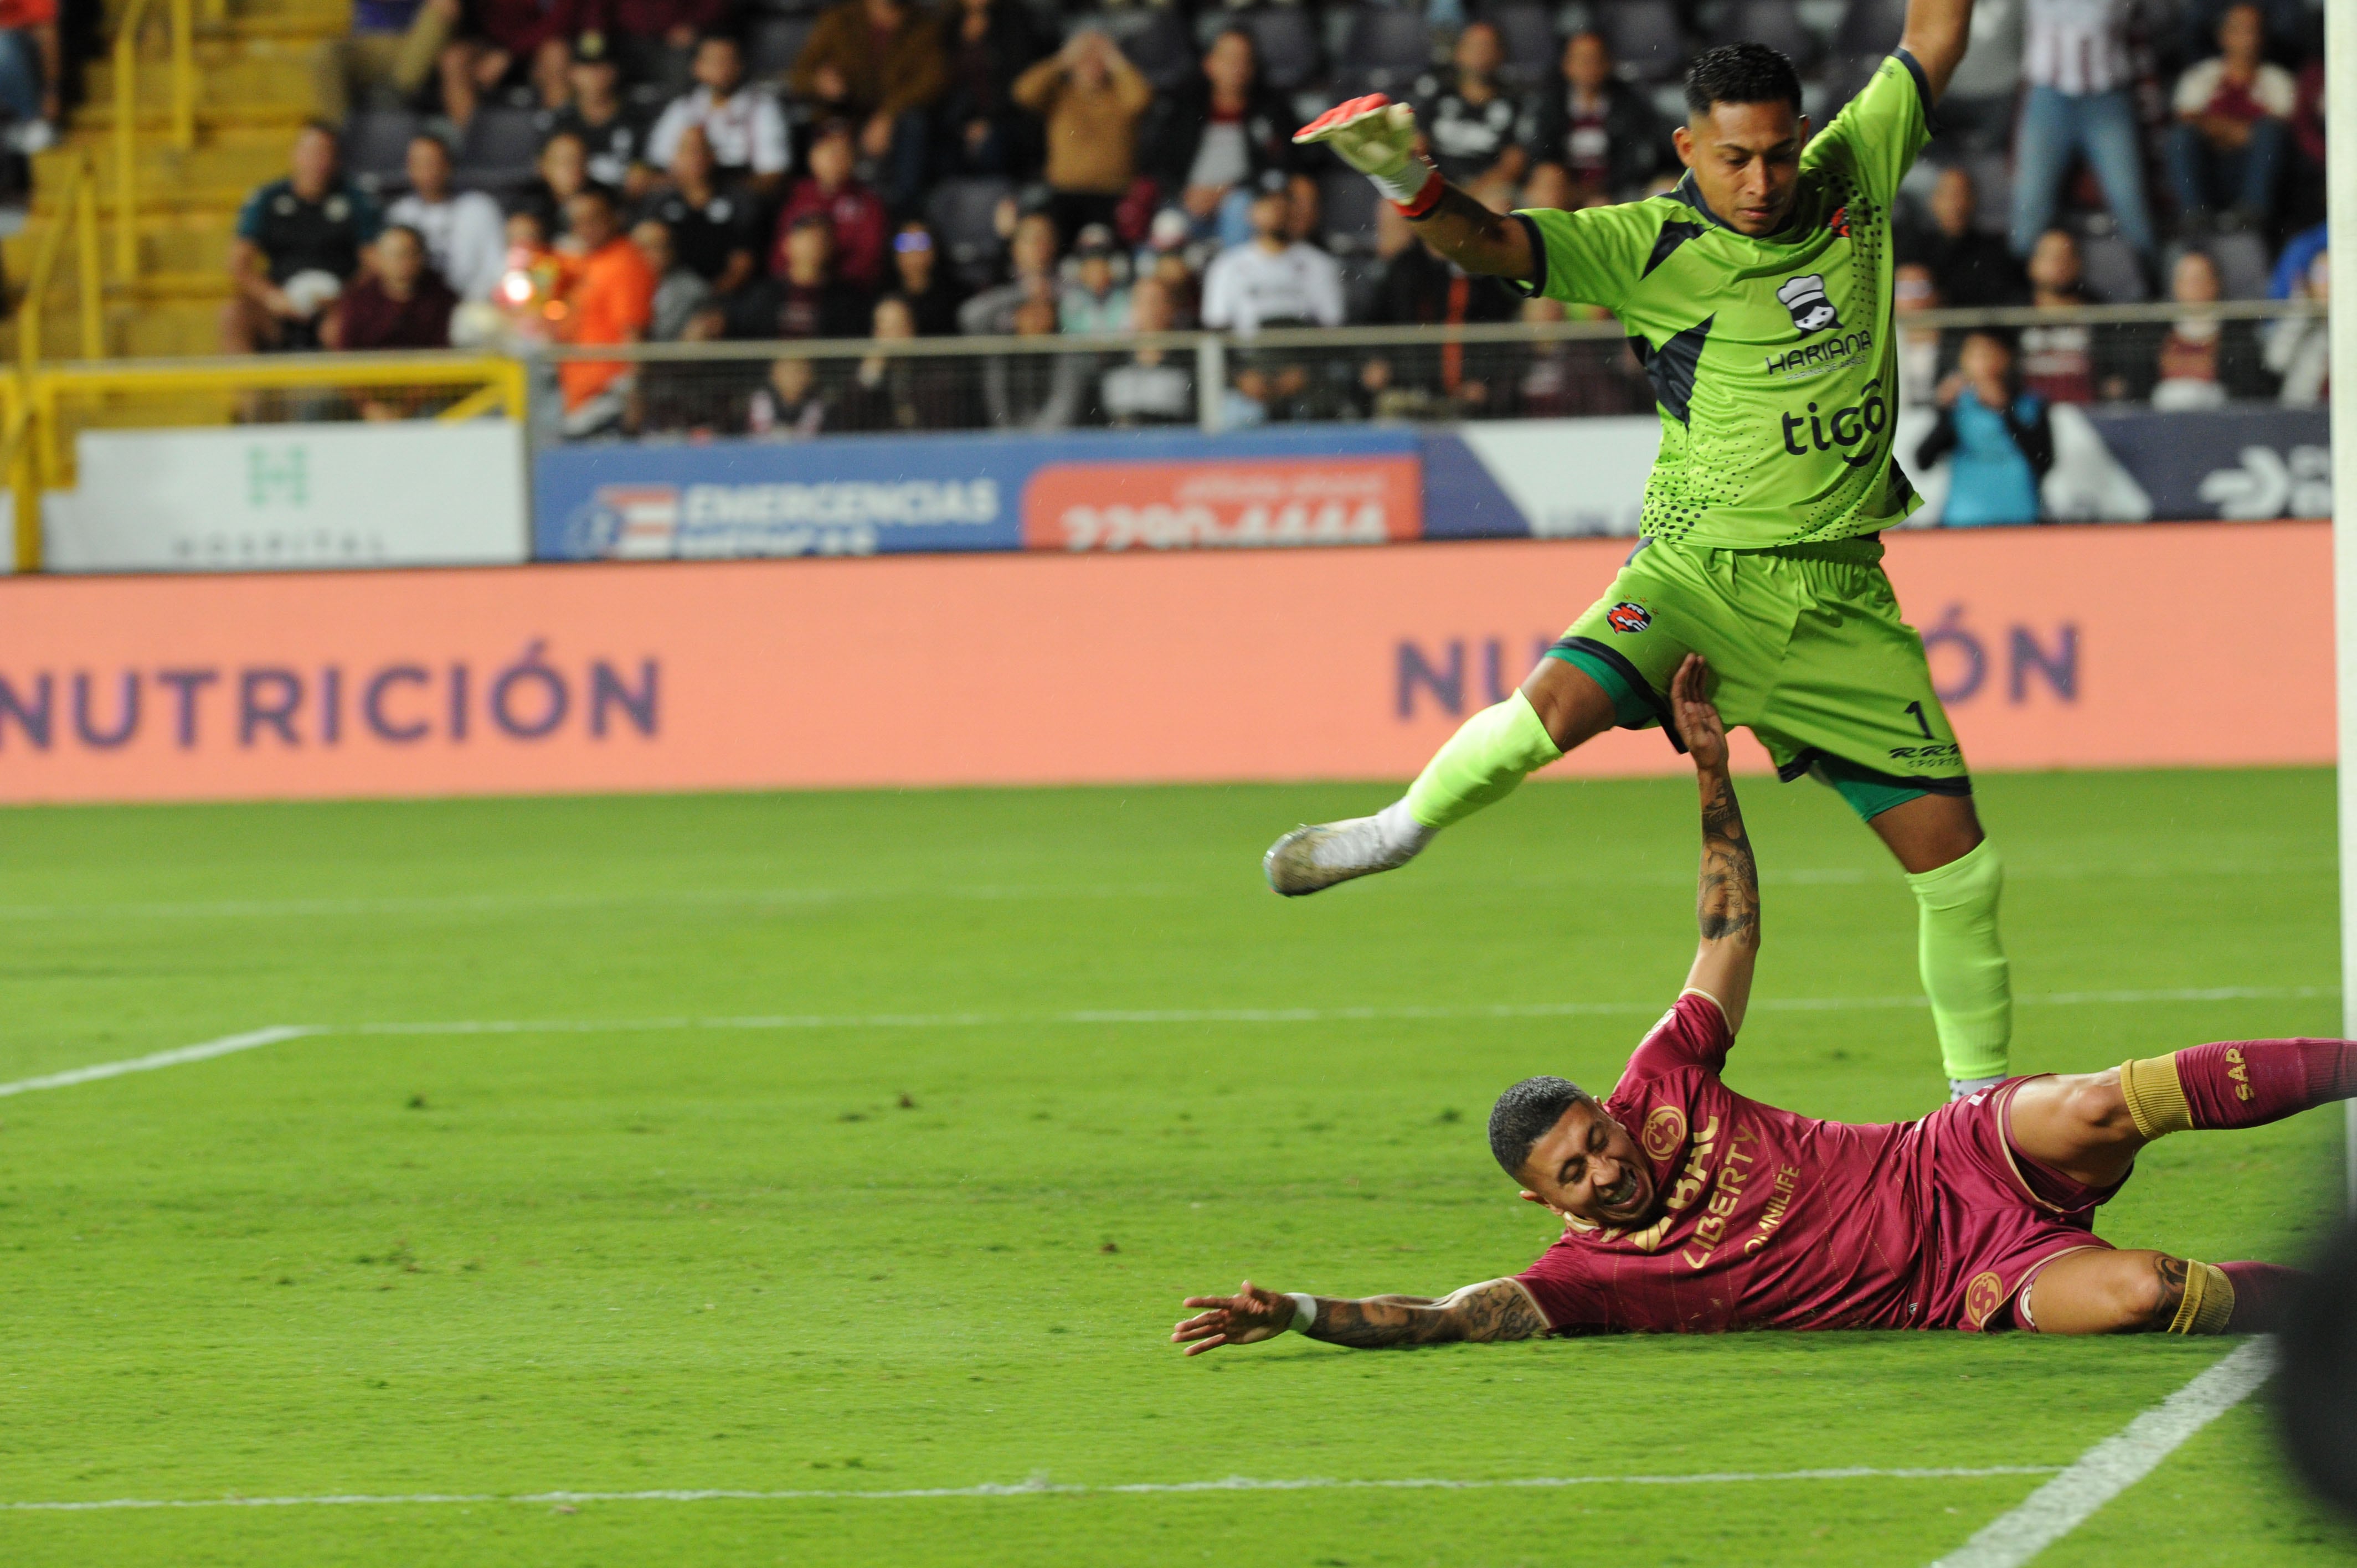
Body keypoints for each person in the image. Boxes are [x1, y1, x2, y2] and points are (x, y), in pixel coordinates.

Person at [1172, 658, 2334, 1353]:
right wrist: (1303, 1312)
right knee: (2143, 1292)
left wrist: (1711, 773)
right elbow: (1441, 1317)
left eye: (1595, 1139)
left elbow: (1726, 931)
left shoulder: (1663, 1079)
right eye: (1573, 1174)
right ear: (1541, 1202)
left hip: (1948, 1159)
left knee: (2096, 1106)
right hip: (1959, 1286)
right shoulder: (1583, 1283)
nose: (1605, 1168)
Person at [1289, 11, 2022, 1100]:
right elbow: (1491, 244)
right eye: (1733, 159)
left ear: (1803, 136)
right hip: (1695, 578)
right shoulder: (1651, 246)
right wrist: (1407, 179)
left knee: (1961, 871)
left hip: (1839, 599)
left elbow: (1938, 31)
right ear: (1688, 148)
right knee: (1545, 714)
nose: (1760, 182)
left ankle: (1980, 1116)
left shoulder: (1855, 165)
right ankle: (1396, 830)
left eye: (1777, 154)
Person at [2009, 0, 2155, 266]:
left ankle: (2150, 280)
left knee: (2129, 202)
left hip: (2106, 97)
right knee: (2030, 204)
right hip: (2049, 95)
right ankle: (2018, 284)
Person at [222, 121, 384, 353]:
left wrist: (345, 300)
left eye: (324, 153)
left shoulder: (357, 200)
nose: (316, 161)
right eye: (310, 152)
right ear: (295, 155)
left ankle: (345, 376)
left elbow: (375, 266)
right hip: (280, 304)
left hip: (338, 304)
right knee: (233, 314)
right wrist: (272, 297)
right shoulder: (268, 199)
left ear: (337, 160)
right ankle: (245, 379)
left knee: (345, 327)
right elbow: (239, 265)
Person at [1147, 29, 1309, 249]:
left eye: (1245, 59)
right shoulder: (1184, 109)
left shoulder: (1271, 111)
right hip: (1187, 203)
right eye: (1229, 58)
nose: (1237, 66)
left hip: (1244, 205)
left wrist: (1225, 192)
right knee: (1167, 225)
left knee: (1240, 206)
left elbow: (1283, 166)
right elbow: (1160, 165)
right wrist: (1185, 193)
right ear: (1209, 64)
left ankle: (1235, 269)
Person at [786, 0, 944, 212]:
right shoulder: (839, 20)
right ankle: (816, 212)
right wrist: (819, 81)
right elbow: (800, 74)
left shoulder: (923, 25)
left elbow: (933, 80)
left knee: (915, 124)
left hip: (898, 118)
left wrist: (889, 115)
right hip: (844, 115)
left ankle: (906, 212)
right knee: (822, 131)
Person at [1011, 27, 1152, 247]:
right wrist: (1062, 60)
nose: (1091, 63)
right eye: (1085, 57)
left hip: (1114, 191)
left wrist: (1115, 59)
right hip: (1065, 191)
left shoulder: (1120, 95)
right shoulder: (1060, 94)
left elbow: (1142, 98)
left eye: (1098, 58)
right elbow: (1023, 92)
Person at [2166, 2, 2293, 234]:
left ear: (2263, 37)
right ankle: (2195, 215)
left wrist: (2213, 127)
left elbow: (2275, 133)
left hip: (2253, 174)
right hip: (2210, 171)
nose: (2246, 37)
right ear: (2223, 35)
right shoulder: (2200, 76)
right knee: (2181, 137)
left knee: (2270, 134)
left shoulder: (2278, 80)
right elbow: (2185, 122)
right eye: (2238, 29)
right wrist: (2244, 131)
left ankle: (2253, 216)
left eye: (2252, 30)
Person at [1916, 330, 2050, 525]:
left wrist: (2005, 410)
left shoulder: (2030, 404)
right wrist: (1945, 412)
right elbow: (1923, 461)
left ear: (2005, 358)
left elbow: (2044, 462)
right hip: (1964, 519)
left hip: (2020, 517)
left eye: (1985, 354)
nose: (1977, 363)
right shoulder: (1959, 405)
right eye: (1971, 354)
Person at [554, 185, 655, 435]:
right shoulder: (582, 262)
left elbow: (634, 335)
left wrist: (634, 396)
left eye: (594, 219)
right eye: (577, 222)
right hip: (578, 398)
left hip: (609, 400)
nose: (585, 228)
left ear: (613, 217)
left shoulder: (624, 263)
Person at [1522, 32, 1665, 208]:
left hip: (1613, 190)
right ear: (1566, 65)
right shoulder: (1550, 102)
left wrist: (1602, 188)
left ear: (1608, 63)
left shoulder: (1630, 103)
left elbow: (1636, 159)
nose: (1588, 66)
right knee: (1547, 179)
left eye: (1595, 59)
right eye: (1581, 59)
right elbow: (1540, 152)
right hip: (1565, 188)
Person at [647, 33, 790, 193]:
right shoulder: (681, 108)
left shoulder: (763, 107)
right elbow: (658, 164)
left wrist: (720, 194)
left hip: (740, 191)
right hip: (685, 192)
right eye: (713, 61)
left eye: (727, 60)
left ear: (741, 66)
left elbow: (773, 175)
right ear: (697, 67)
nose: (721, 68)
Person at [1198, 185, 1345, 336]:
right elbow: (1216, 324)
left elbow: (1332, 324)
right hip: (1247, 348)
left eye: (1282, 205)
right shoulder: (1227, 265)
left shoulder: (1319, 263)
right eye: (1269, 205)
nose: (1277, 212)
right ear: (1252, 212)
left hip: (1302, 348)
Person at [930, 0, 1048, 182]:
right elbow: (943, 85)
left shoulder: (1014, 21)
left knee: (994, 148)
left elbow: (1019, 84)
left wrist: (989, 121)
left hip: (1007, 118)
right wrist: (964, 124)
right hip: (958, 121)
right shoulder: (948, 25)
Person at [633, 123, 756, 296]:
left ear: (712, 155)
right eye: (687, 151)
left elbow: (743, 263)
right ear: (675, 158)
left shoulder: (739, 200)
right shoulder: (659, 200)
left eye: (700, 150)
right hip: (666, 292)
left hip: (723, 295)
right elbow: (642, 250)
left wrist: (709, 297)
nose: (695, 158)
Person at [1412, 20, 1525, 207]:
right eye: (1474, 46)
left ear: (1501, 54)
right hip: (1435, 185)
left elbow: (1511, 165)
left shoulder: (1514, 102)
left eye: (1487, 46)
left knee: (1500, 204)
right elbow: (1418, 148)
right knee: (1393, 207)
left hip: (1486, 190)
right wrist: (1432, 187)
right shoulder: (1436, 94)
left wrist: (1468, 194)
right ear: (1458, 52)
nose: (1480, 52)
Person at [386, 132, 506, 302]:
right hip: (418, 306)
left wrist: (470, 302)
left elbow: (496, 266)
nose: (426, 171)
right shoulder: (400, 214)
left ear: (448, 165)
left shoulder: (480, 208)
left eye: (432, 163)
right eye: (418, 163)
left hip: (472, 303)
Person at [776, 120, 888, 293]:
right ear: (813, 156)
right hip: (792, 289)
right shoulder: (794, 195)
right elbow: (778, 255)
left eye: (843, 151)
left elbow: (869, 259)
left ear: (854, 158)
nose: (835, 159)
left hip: (848, 293)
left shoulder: (868, 203)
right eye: (828, 150)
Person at [2147, 249, 2266, 408]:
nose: (2193, 287)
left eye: (2198, 279)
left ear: (2215, 283)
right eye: (2185, 279)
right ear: (2175, 285)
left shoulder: (2236, 334)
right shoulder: (2156, 332)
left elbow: (2248, 388)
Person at [435, 0, 580, 131]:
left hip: (538, 46)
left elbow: (560, 23)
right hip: (491, 45)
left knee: (557, 54)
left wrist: (510, 54)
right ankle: (473, 138)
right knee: (454, 59)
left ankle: (559, 137)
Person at [836, 293, 973, 430]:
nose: (893, 338)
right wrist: (869, 376)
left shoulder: (936, 375)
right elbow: (849, 423)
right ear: (876, 333)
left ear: (911, 328)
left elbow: (943, 425)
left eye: (898, 328)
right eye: (886, 330)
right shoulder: (865, 377)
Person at [542, 35, 655, 200]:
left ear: (615, 71)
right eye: (587, 68)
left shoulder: (639, 118)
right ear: (572, 73)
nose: (594, 76)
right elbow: (544, 172)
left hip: (629, 203)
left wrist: (648, 175)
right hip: (572, 203)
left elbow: (663, 168)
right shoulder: (559, 122)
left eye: (601, 68)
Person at [726, 212, 871, 339]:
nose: (814, 245)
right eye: (807, 237)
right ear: (787, 244)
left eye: (822, 239)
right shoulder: (762, 297)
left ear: (832, 246)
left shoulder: (849, 302)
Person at [1900, 163, 2021, 307]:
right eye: (1948, 195)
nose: (1956, 204)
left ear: (1974, 200)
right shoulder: (1911, 248)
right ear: (1933, 201)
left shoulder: (1994, 251)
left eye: (1962, 195)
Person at [323, 223, 457, 352]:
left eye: (411, 253)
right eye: (396, 255)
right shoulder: (358, 300)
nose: (404, 262)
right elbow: (348, 352)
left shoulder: (442, 298)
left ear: (422, 257)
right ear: (378, 257)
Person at [320, 0, 449, 122]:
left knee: (444, 5)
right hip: (373, 39)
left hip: (425, 38)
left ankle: (396, 93)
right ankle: (332, 131)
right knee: (324, 56)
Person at [1098, 274, 1193, 426]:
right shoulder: (1113, 361)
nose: (1150, 310)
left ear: (1171, 308)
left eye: (1156, 301)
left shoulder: (1188, 361)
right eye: (1141, 301)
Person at [958, 208, 1058, 335]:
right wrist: (1023, 292)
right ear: (1014, 246)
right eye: (1031, 239)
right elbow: (969, 317)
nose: (1039, 245)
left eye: (1046, 238)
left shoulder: (1066, 278)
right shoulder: (997, 276)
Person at [2262, 246, 2328, 408]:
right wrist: (2300, 307)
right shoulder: (2303, 325)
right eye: (2322, 275)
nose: (2329, 284)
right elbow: (2276, 361)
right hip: (2302, 412)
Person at [631, 215, 711, 341]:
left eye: (660, 246)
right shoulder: (621, 283)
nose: (654, 254)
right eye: (644, 247)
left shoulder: (693, 289)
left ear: (672, 250)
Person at [511, 128, 594, 240]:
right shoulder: (527, 203)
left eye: (579, 161)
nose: (573, 169)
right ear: (542, 165)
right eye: (564, 162)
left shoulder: (606, 200)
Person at [0, 0, 59, 152]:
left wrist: (51, 91)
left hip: (23, 57)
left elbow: (46, 31)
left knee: (2, 46)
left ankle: (32, 122)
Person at [888, 220, 964, 335]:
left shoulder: (957, 298)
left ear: (934, 250)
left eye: (921, 243)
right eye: (904, 243)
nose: (913, 251)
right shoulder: (883, 298)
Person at [1058, 224, 1130, 336]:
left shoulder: (1125, 298)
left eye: (1102, 264)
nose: (1096, 270)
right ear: (1079, 269)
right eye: (1091, 266)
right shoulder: (1071, 301)